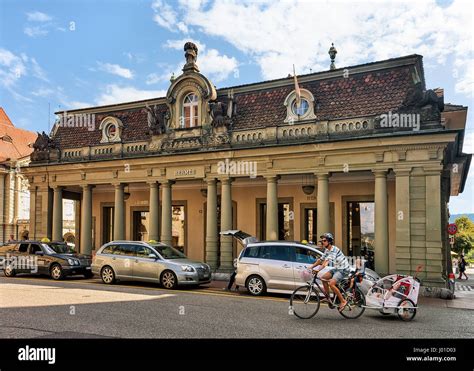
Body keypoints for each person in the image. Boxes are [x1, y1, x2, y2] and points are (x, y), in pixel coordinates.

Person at [308, 232, 351, 312]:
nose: (322, 242)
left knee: (331, 283)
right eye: (322, 241)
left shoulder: (333, 250)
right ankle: (328, 298)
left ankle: (343, 301)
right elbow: (320, 260)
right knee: (323, 278)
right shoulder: (327, 250)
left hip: (343, 269)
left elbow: (326, 262)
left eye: (324, 240)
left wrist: (318, 269)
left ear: (329, 241)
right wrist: (311, 267)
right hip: (337, 268)